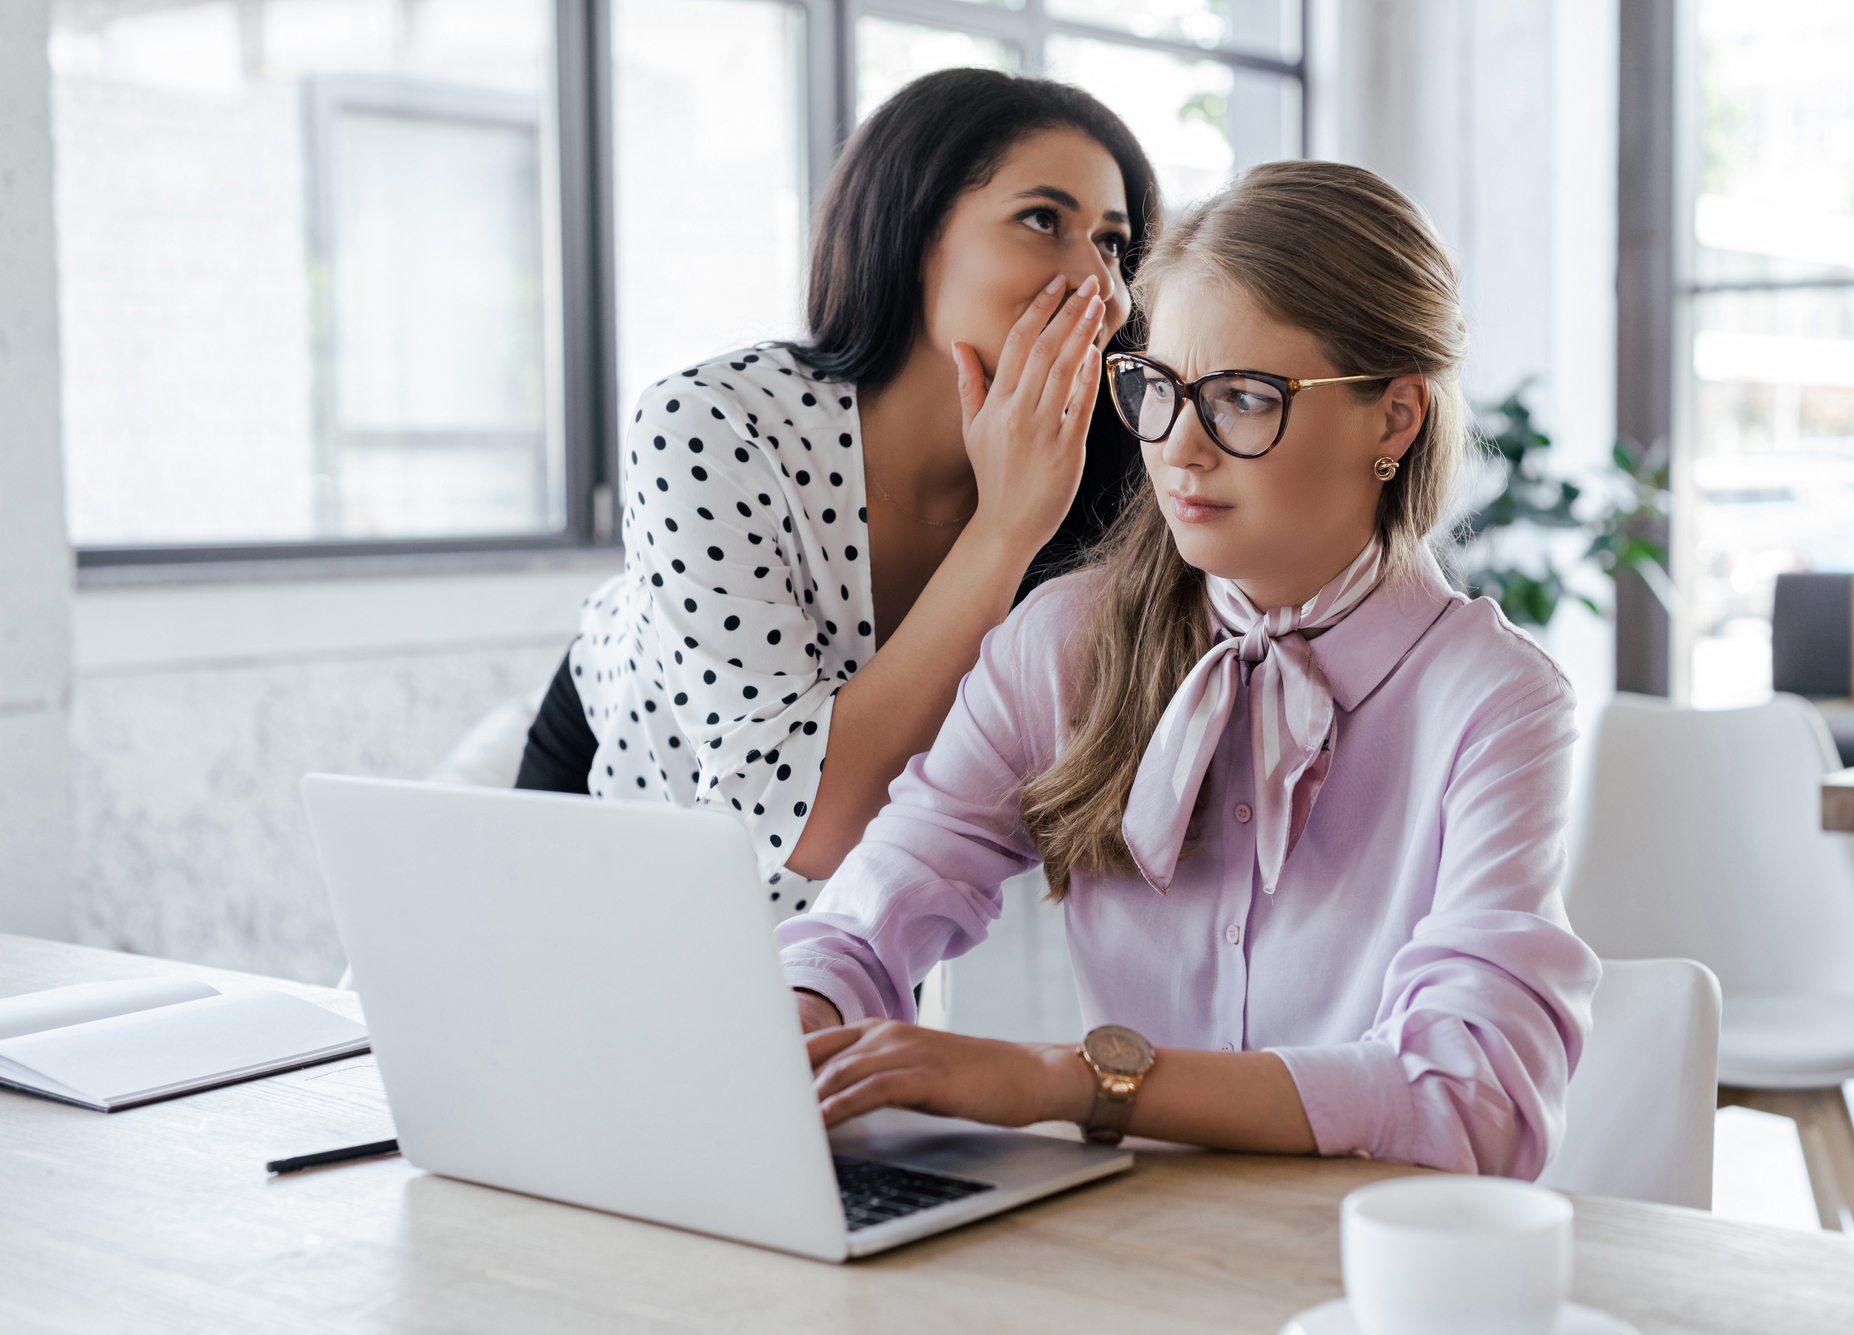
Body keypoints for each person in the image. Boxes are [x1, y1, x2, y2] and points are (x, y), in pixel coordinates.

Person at [781, 161, 1602, 1178]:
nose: (1178, 449)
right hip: (1132, 1250)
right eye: (1160, 390)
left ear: (1393, 419)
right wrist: (796, 1020)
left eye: (1243, 399)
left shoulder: (1493, 702)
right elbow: (876, 904)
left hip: (1366, 1265)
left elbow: (1473, 1100)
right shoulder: (1062, 642)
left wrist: (1069, 1081)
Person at [515, 70, 1161, 920]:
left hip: (856, 888)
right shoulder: (711, 423)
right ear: (917, 233)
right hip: (636, 783)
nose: (1097, 283)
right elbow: (798, 820)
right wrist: (1005, 529)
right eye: (1043, 220)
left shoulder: (1111, 463)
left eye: (1113, 243)